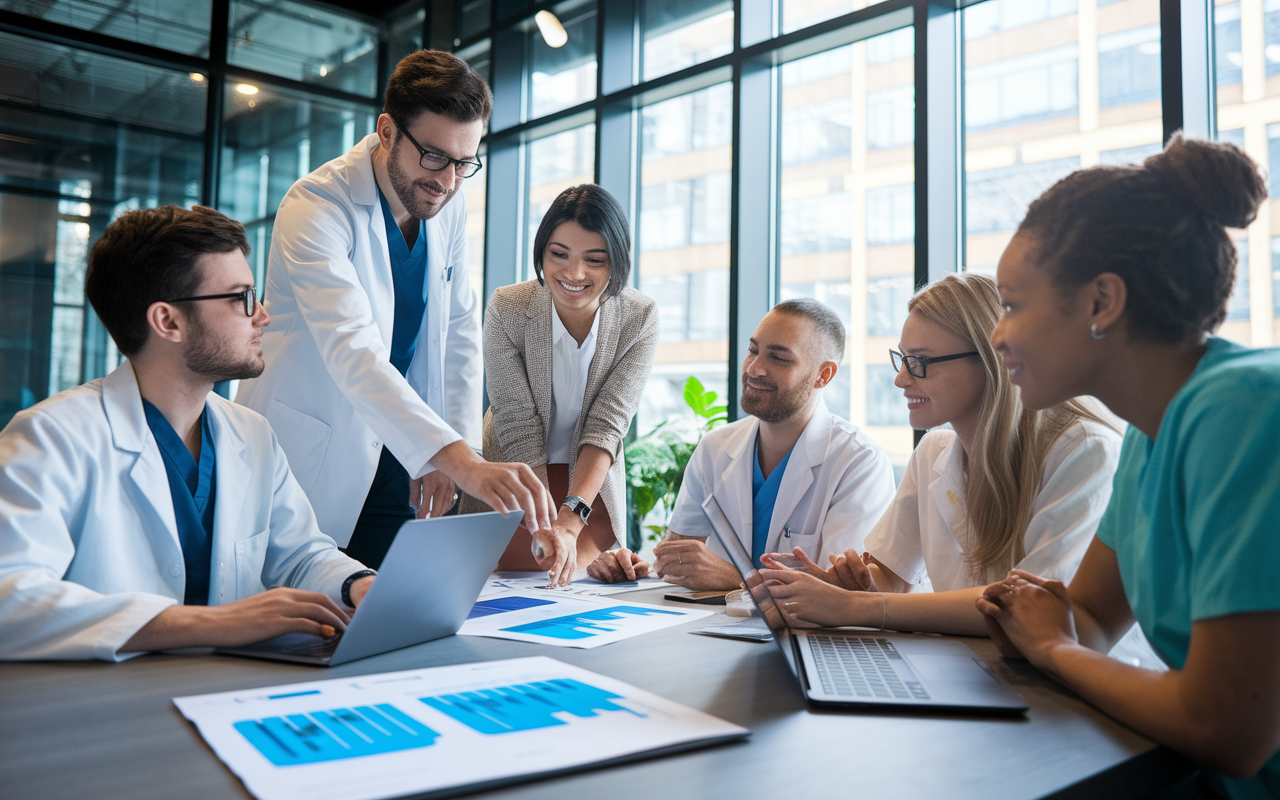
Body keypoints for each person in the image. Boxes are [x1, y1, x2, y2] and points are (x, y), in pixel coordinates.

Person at [973, 134, 1280, 798]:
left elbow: (1228, 728)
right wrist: (1032, 619)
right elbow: (1087, 611)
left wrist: (1055, 648)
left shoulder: (1245, 409)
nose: (998, 334)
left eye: (1012, 304)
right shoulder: (1151, 432)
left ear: (1101, 302)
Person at [0, 206, 374, 661]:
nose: (262, 317)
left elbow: (300, 557)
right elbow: (10, 599)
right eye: (241, 298)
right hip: (102, 708)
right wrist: (216, 623)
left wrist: (359, 585)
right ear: (168, 322)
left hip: (223, 692)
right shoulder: (51, 437)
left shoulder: (251, 434)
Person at [235, 50, 557, 576]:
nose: (449, 181)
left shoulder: (445, 205)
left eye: (464, 162)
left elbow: (457, 334)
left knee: (386, 609)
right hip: (312, 449)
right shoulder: (316, 206)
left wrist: (448, 452)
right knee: (306, 614)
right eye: (434, 156)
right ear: (387, 132)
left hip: (398, 448)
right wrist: (454, 456)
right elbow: (353, 349)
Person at [762, 275, 1155, 663]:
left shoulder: (1085, 451)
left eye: (919, 362)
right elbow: (891, 576)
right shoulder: (934, 450)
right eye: (902, 359)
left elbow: (1027, 607)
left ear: (993, 358)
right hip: (977, 667)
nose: (901, 379)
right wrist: (852, 588)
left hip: (1075, 691)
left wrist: (854, 608)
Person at [588, 299, 896, 590]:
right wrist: (632, 567)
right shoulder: (715, 448)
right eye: (753, 350)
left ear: (823, 375)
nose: (753, 368)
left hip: (806, 642)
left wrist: (736, 578)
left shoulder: (859, 462)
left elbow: (841, 593)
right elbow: (676, 557)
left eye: (778, 357)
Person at [460, 185, 658, 582]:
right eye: (559, 254)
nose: (574, 274)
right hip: (516, 485)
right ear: (542, 252)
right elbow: (516, 423)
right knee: (500, 599)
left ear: (616, 262)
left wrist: (570, 521)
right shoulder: (508, 308)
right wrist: (544, 524)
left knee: (580, 602)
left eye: (594, 260)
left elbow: (608, 426)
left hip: (587, 492)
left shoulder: (639, 317)